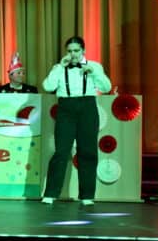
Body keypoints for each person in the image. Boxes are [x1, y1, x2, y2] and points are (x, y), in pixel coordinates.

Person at [41, 36, 111, 206]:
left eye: (76, 50)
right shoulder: (59, 68)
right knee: (61, 151)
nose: (73, 54)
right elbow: (48, 86)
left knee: (88, 151)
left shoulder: (94, 66)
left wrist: (93, 72)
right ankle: (51, 193)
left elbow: (106, 87)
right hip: (66, 108)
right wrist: (60, 67)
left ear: (83, 51)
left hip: (87, 107)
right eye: (70, 51)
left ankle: (87, 195)